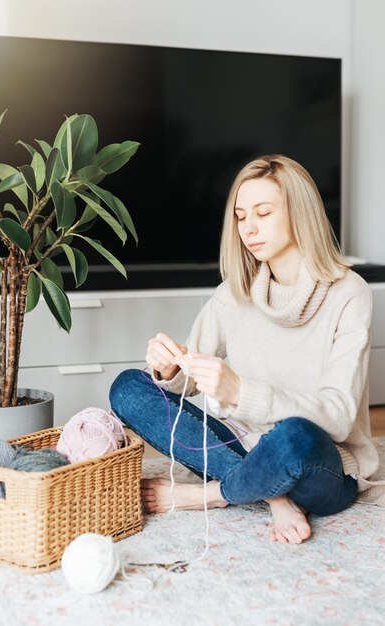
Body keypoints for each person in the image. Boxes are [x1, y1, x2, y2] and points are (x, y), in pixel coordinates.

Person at [109, 154, 382, 546]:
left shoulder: (349, 293)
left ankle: (212, 495)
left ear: (299, 213)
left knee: (292, 437)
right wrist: (169, 369)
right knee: (128, 387)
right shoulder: (234, 293)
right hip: (244, 445)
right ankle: (273, 495)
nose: (248, 228)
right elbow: (187, 379)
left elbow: (338, 417)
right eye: (240, 216)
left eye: (263, 213)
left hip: (321, 464)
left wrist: (239, 392)